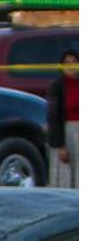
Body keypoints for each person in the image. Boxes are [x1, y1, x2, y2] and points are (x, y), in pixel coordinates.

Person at [46, 49, 79, 189]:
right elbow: (53, 116)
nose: (71, 65)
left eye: (74, 61)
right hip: (66, 134)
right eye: (67, 62)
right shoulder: (57, 86)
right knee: (65, 177)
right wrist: (60, 145)